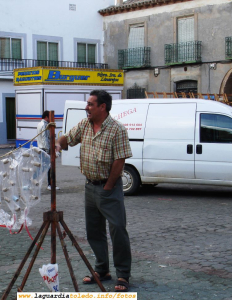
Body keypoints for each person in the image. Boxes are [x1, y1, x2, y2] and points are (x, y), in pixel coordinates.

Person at [55, 90, 132, 292]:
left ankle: (123, 274)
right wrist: (57, 144)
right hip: (90, 186)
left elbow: (120, 160)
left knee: (118, 230)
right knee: (94, 231)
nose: (86, 107)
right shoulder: (84, 125)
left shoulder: (117, 130)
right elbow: (68, 138)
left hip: (109, 188)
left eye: (90, 104)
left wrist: (108, 187)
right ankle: (102, 270)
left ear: (102, 107)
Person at [37, 110, 59, 190]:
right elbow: (44, 138)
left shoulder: (39, 124)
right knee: (50, 167)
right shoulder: (44, 125)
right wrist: (48, 150)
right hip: (45, 149)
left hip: (41, 148)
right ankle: (50, 184)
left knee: (41, 168)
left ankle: (32, 183)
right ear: (47, 117)